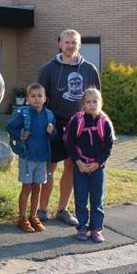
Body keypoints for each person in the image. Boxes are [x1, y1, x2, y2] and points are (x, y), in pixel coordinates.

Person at [37, 29, 101, 227]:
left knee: (71, 167)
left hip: (79, 126)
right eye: (67, 42)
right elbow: (39, 99)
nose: (70, 46)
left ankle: (62, 209)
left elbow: (96, 100)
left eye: (74, 42)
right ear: (60, 44)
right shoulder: (48, 69)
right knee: (49, 169)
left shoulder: (89, 69)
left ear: (79, 45)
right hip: (54, 125)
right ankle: (41, 209)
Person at [65, 88, 114, 243]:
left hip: (97, 168)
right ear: (83, 104)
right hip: (80, 166)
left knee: (97, 199)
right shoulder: (77, 121)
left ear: (100, 103)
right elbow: (70, 143)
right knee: (80, 198)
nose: (92, 104)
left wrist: (97, 163)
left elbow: (108, 147)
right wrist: (78, 162)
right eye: (88, 102)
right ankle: (82, 227)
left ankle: (96, 229)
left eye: (95, 101)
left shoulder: (104, 123)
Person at [6, 83, 55, 233]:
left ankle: (34, 217)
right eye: (33, 96)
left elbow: (55, 135)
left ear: (45, 98)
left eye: (40, 95)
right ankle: (22, 218)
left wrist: (52, 131)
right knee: (26, 187)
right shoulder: (23, 113)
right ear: (28, 99)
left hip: (42, 158)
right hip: (27, 157)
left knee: (38, 187)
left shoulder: (49, 115)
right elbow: (10, 127)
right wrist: (21, 133)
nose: (37, 99)